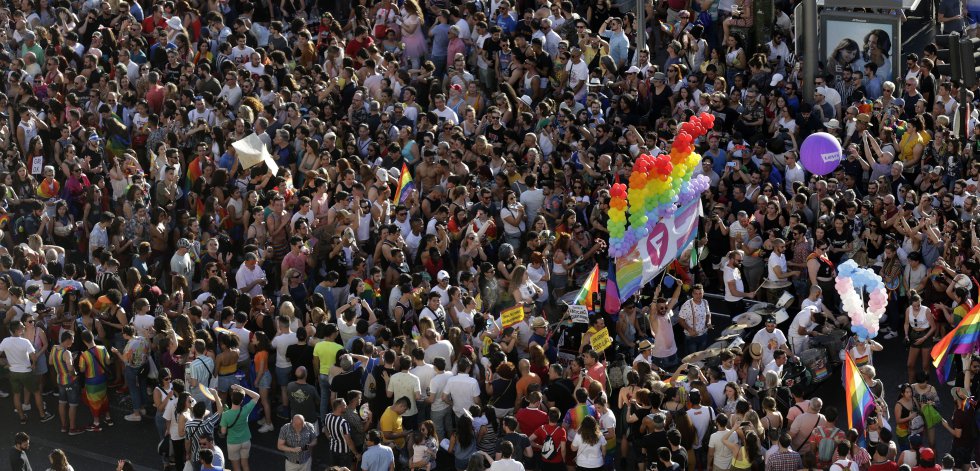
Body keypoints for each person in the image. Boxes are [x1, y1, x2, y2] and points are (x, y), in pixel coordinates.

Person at [1, 320, 53, 424]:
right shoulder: (25, 342)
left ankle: (22, 418)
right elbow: (34, 357)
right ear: (17, 330)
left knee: (16, 395)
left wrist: (5, 364)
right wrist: (33, 365)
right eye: (22, 327)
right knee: (37, 392)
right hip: (26, 371)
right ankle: (43, 415)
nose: (24, 328)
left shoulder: (5, 341)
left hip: (13, 372)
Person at [221, 384, 261, 471]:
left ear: (231, 398)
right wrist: (241, 388)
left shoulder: (226, 415)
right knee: (245, 465)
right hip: (246, 441)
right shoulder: (246, 409)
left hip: (233, 443)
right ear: (242, 400)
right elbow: (257, 396)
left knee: (236, 468)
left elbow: (223, 432)